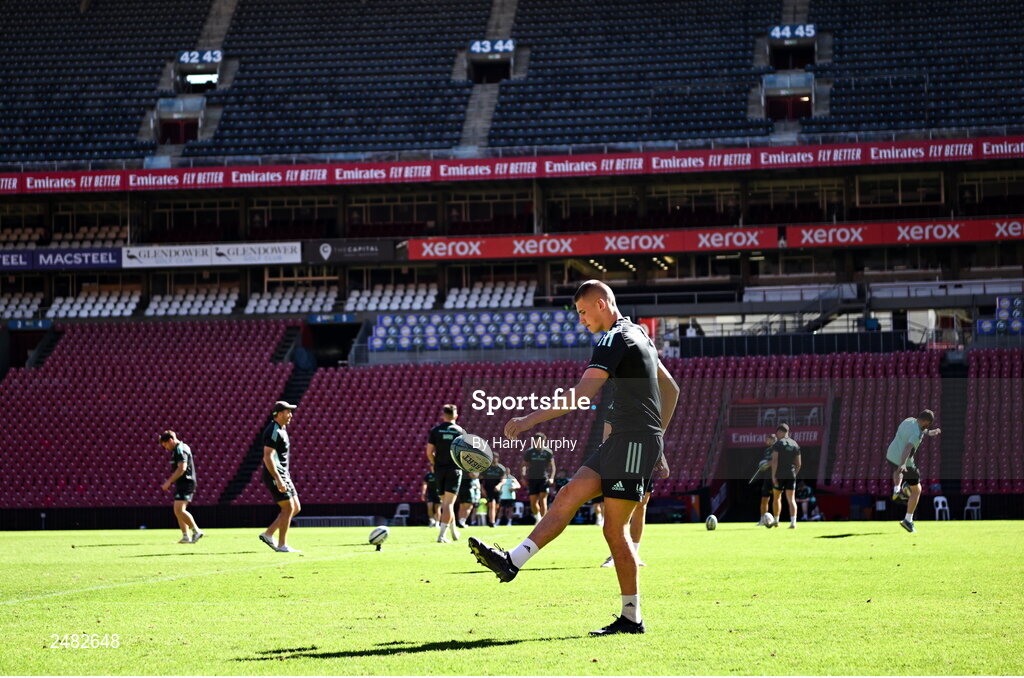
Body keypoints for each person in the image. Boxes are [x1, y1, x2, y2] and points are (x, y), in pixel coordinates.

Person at [469, 280, 679, 636]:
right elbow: (671, 388)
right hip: (626, 441)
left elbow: (582, 393)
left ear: (601, 304)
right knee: (567, 496)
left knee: (614, 529)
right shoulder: (640, 335)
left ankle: (632, 618)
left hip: (633, 443)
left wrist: (527, 419)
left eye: (583, 312)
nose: (581, 320)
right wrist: (658, 437)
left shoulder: (613, 339)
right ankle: (511, 561)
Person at [600, 411, 669, 568]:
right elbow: (606, 437)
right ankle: (615, 555)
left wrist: (661, 458)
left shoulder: (649, 406)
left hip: (643, 460)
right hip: (620, 461)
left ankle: (634, 554)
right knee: (620, 510)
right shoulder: (615, 406)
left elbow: (655, 434)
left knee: (640, 507)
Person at [886, 409, 941, 533]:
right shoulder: (916, 434)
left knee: (896, 469)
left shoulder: (908, 420)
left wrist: (930, 432)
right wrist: (903, 463)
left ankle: (897, 489)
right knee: (917, 490)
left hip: (890, 455)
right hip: (904, 461)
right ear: (927, 421)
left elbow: (918, 429)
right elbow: (907, 448)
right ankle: (908, 520)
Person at [259, 401, 301, 553]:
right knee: (288, 507)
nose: (291, 415)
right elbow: (268, 457)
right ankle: (282, 545)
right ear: (280, 414)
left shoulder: (281, 429)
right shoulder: (273, 431)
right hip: (275, 474)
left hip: (283, 473)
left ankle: (269, 534)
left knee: (295, 507)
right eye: (288, 412)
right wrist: (278, 478)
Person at [426, 403, 467, 543]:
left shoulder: (435, 430)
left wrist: (434, 464)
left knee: (445, 502)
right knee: (449, 504)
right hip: (454, 470)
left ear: (443, 415)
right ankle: (442, 535)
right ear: (456, 415)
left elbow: (429, 452)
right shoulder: (460, 431)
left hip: (439, 470)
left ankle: (454, 532)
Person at [158, 430, 203, 544]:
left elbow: (182, 468)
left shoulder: (180, 449)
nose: (166, 448)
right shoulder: (180, 448)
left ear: (171, 440)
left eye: (166, 445)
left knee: (179, 510)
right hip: (182, 483)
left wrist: (168, 482)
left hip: (186, 482)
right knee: (178, 510)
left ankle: (196, 530)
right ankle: (185, 536)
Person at [770, 423, 802, 529]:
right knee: (791, 499)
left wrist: (773, 475)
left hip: (780, 474)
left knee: (777, 497)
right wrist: (794, 474)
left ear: (780, 432)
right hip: (791, 474)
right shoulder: (795, 444)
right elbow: (798, 464)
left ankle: (776, 520)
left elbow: (775, 460)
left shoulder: (778, 444)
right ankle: (793, 523)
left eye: (777, 433)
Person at [521, 432, 555, 523]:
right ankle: (538, 517)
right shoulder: (529, 452)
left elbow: (552, 467)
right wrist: (523, 477)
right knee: (533, 501)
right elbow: (523, 465)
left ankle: (544, 521)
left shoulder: (548, 452)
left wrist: (551, 477)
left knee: (543, 500)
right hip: (532, 478)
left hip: (543, 478)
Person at [753, 433, 777, 526]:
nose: (765, 441)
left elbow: (777, 461)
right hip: (767, 477)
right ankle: (762, 520)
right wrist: (763, 465)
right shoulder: (767, 450)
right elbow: (766, 464)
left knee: (776, 499)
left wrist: (768, 463)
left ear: (772, 439)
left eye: (767, 439)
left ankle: (776, 520)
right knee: (764, 499)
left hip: (776, 477)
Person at [479, 456, 507, 527]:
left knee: (496, 506)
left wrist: (499, 485)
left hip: (497, 490)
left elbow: (504, 480)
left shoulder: (501, 468)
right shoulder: (486, 468)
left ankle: (493, 519)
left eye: (495, 458)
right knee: (492, 504)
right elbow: (481, 480)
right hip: (488, 489)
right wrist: (482, 489)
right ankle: (492, 522)